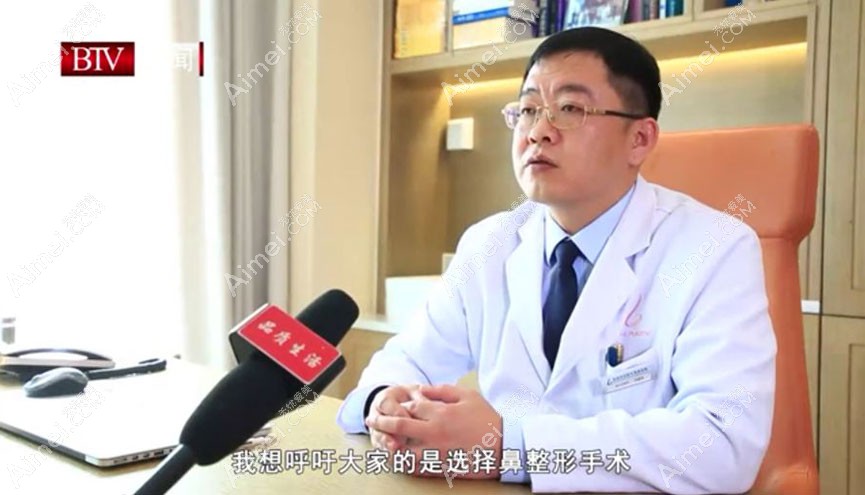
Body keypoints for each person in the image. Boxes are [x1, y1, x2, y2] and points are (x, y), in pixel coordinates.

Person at [336, 26, 775, 494]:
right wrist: (385, 405)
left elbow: (722, 445)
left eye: (570, 109)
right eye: (527, 110)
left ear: (640, 140)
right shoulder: (489, 242)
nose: (538, 132)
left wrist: (511, 446)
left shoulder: (716, 248)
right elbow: (405, 361)